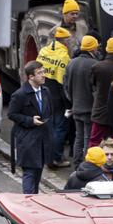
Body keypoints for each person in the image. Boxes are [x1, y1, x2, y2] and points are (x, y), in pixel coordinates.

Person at [9, 61, 54, 194]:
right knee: (29, 172)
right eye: (39, 73)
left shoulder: (46, 91)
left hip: (43, 139)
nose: (43, 75)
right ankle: (28, 202)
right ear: (31, 77)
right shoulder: (20, 94)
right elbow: (11, 114)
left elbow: (50, 111)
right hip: (28, 139)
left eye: (43, 72)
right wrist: (30, 120)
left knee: (38, 171)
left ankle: (34, 200)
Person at [37, 27, 72, 168]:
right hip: (57, 97)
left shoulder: (43, 51)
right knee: (60, 127)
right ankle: (56, 158)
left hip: (43, 93)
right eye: (68, 39)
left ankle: (47, 157)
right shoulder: (64, 56)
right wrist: (68, 104)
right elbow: (63, 83)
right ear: (63, 40)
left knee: (48, 126)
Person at [64, 35, 100, 165]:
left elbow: (66, 86)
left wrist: (73, 101)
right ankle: (86, 164)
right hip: (90, 108)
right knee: (88, 137)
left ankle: (77, 162)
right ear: (93, 48)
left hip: (76, 107)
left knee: (78, 136)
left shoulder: (71, 63)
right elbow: (96, 89)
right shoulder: (95, 64)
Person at [88, 37, 113, 146]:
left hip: (100, 110)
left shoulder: (97, 67)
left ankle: (93, 161)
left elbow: (92, 84)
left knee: (95, 140)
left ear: (107, 49)